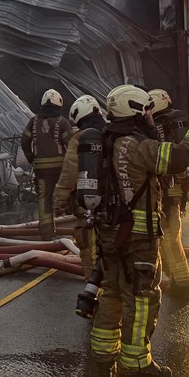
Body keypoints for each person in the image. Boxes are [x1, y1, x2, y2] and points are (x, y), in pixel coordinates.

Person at [89, 84, 189, 377]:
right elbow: (178, 158)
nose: (151, 118)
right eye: (148, 112)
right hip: (137, 239)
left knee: (112, 292)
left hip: (107, 235)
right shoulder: (137, 146)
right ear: (138, 112)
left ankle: (103, 358)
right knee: (142, 299)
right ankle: (137, 365)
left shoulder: (104, 141)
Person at [148, 89, 189, 301]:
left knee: (169, 237)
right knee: (169, 237)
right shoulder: (181, 123)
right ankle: (177, 280)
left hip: (169, 187)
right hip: (178, 187)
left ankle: (183, 284)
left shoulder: (160, 125)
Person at [52, 94, 108, 283]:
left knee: (88, 250)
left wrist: (58, 202)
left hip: (87, 207)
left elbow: (69, 173)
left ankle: (94, 290)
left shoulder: (80, 139)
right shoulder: (112, 134)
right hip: (114, 207)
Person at [21, 89, 72, 240]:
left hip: (41, 169)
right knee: (67, 193)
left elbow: (24, 141)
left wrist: (31, 157)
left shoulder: (33, 121)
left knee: (44, 198)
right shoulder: (63, 122)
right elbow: (72, 144)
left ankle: (47, 233)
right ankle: (73, 227)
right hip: (61, 168)